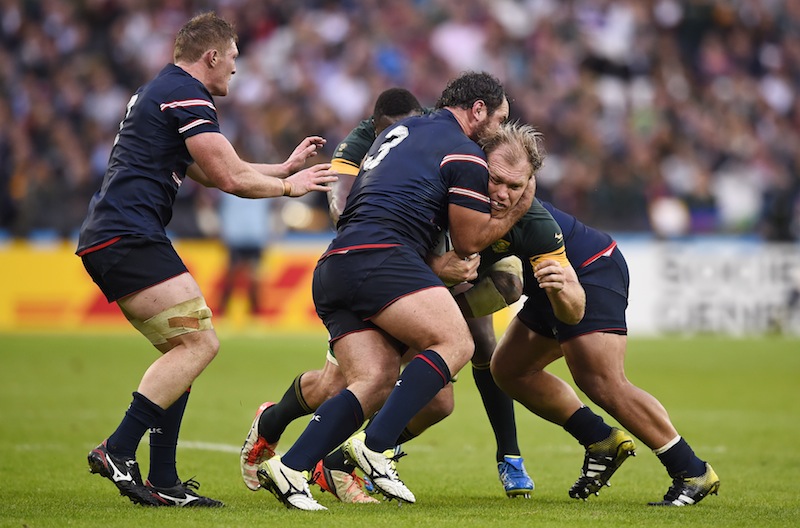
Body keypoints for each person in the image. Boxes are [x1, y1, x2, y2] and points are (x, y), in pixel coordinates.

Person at [76, 12, 337, 507]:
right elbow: (229, 178)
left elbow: (207, 168)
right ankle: (118, 449)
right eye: (233, 57)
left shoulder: (161, 89)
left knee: (186, 349)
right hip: (128, 233)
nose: (236, 68)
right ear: (212, 56)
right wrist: (289, 186)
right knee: (199, 344)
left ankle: (165, 480)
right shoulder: (186, 93)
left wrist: (282, 167)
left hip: (116, 233)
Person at [254, 71, 535, 511]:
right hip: (384, 258)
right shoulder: (464, 152)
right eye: (500, 119)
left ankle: (291, 467)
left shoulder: (403, 130)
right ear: (478, 110)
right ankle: (374, 445)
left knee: (375, 378)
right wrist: (518, 206)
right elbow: (469, 242)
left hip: (335, 263)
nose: (499, 130)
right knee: (456, 341)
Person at [482, 199, 720, 507]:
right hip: (545, 281)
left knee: (603, 381)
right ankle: (601, 440)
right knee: (509, 369)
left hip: (588, 268)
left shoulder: (470, 198)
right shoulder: (456, 199)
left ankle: (693, 471)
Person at [216, 192, 272, 317]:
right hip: (237, 235)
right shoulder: (229, 188)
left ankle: (254, 313)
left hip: (253, 235)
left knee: (254, 277)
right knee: (233, 275)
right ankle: (223, 312)